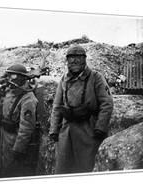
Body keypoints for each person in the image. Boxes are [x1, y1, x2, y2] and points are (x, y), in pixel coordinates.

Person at [49, 45, 114, 174]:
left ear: (84, 59)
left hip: (88, 130)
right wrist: (54, 130)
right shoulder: (64, 79)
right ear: (67, 61)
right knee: (63, 169)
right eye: (71, 58)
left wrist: (100, 127)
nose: (74, 61)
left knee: (85, 168)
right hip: (66, 131)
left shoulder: (96, 77)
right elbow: (57, 106)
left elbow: (106, 103)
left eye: (78, 57)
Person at [0, 64, 39, 178]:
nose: (10, 79)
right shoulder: (10, 91)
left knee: (14, 170)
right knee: (4, 165)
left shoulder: (28, 98)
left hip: (15, 139)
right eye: (9, 75)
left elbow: (26, 127)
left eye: (14, 76)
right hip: (5, 136)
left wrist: (18, 148)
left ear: (22, 78)